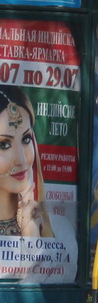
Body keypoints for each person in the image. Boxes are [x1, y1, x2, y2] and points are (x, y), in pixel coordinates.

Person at [0, 86, 53, 237]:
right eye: (3, 144)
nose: (22, 160)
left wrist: (30, 228)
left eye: (26, 139)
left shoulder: (61, 229)